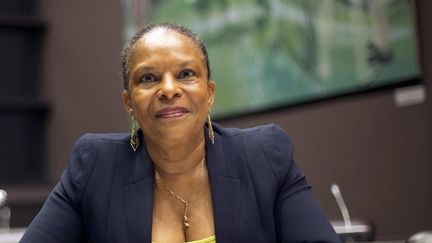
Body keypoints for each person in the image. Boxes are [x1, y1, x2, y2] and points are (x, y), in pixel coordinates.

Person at [20, 23, 340, 243]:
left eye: (185, 74)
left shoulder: (265, 156)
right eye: (148, 78)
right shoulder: (94, 166)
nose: (168, 89)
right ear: (129, 102)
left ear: (209, 93)